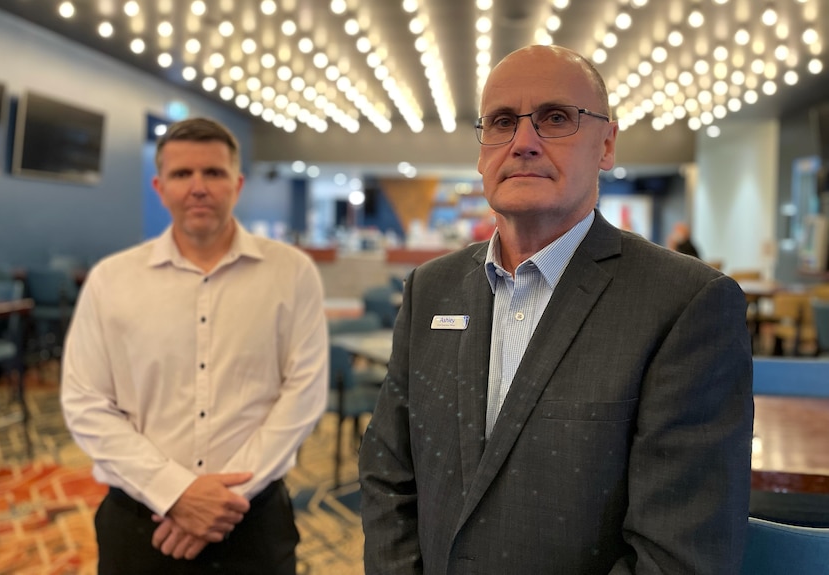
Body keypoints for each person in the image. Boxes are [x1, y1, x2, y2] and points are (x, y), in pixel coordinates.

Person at [358, 45, 753, 574]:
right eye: (502, 122)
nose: (523, 142)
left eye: (556, 118)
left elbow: (677, 554)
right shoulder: (432, 288)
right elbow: (389, 473)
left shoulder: (685, 303)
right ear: (482, 152)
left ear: (607, 144)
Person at [61, 117, 328, 574]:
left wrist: (221, 501)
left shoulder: (292, 272)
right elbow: (85, 402)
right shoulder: (112, 280)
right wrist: (176, 493)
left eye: (214, 173)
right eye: (182, 174)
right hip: (142, 519)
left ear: (237, 184)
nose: (198, 187)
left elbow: (302, 394)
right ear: (159, 186)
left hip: (252, 520)